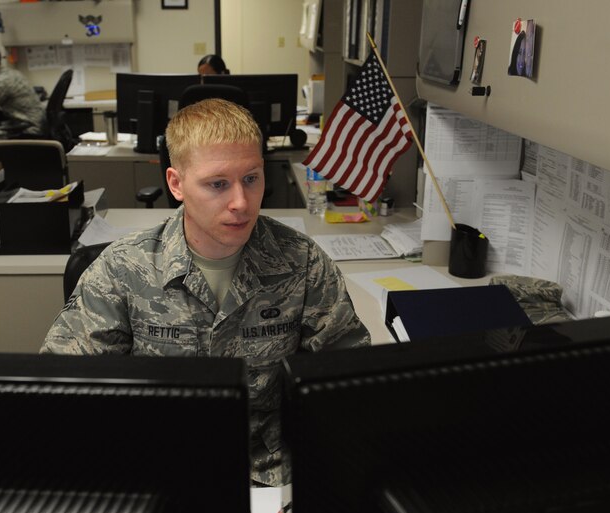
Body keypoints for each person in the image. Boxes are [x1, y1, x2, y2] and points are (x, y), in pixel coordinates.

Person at [41, 98, 371, 487]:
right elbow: (61, 388)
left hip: (270, 478)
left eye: (252, 178)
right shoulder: (124, 268)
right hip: (162, 476)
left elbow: (355, 385)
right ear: (176, 184)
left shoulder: (303, 264)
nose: (241, 203)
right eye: (218, 184)